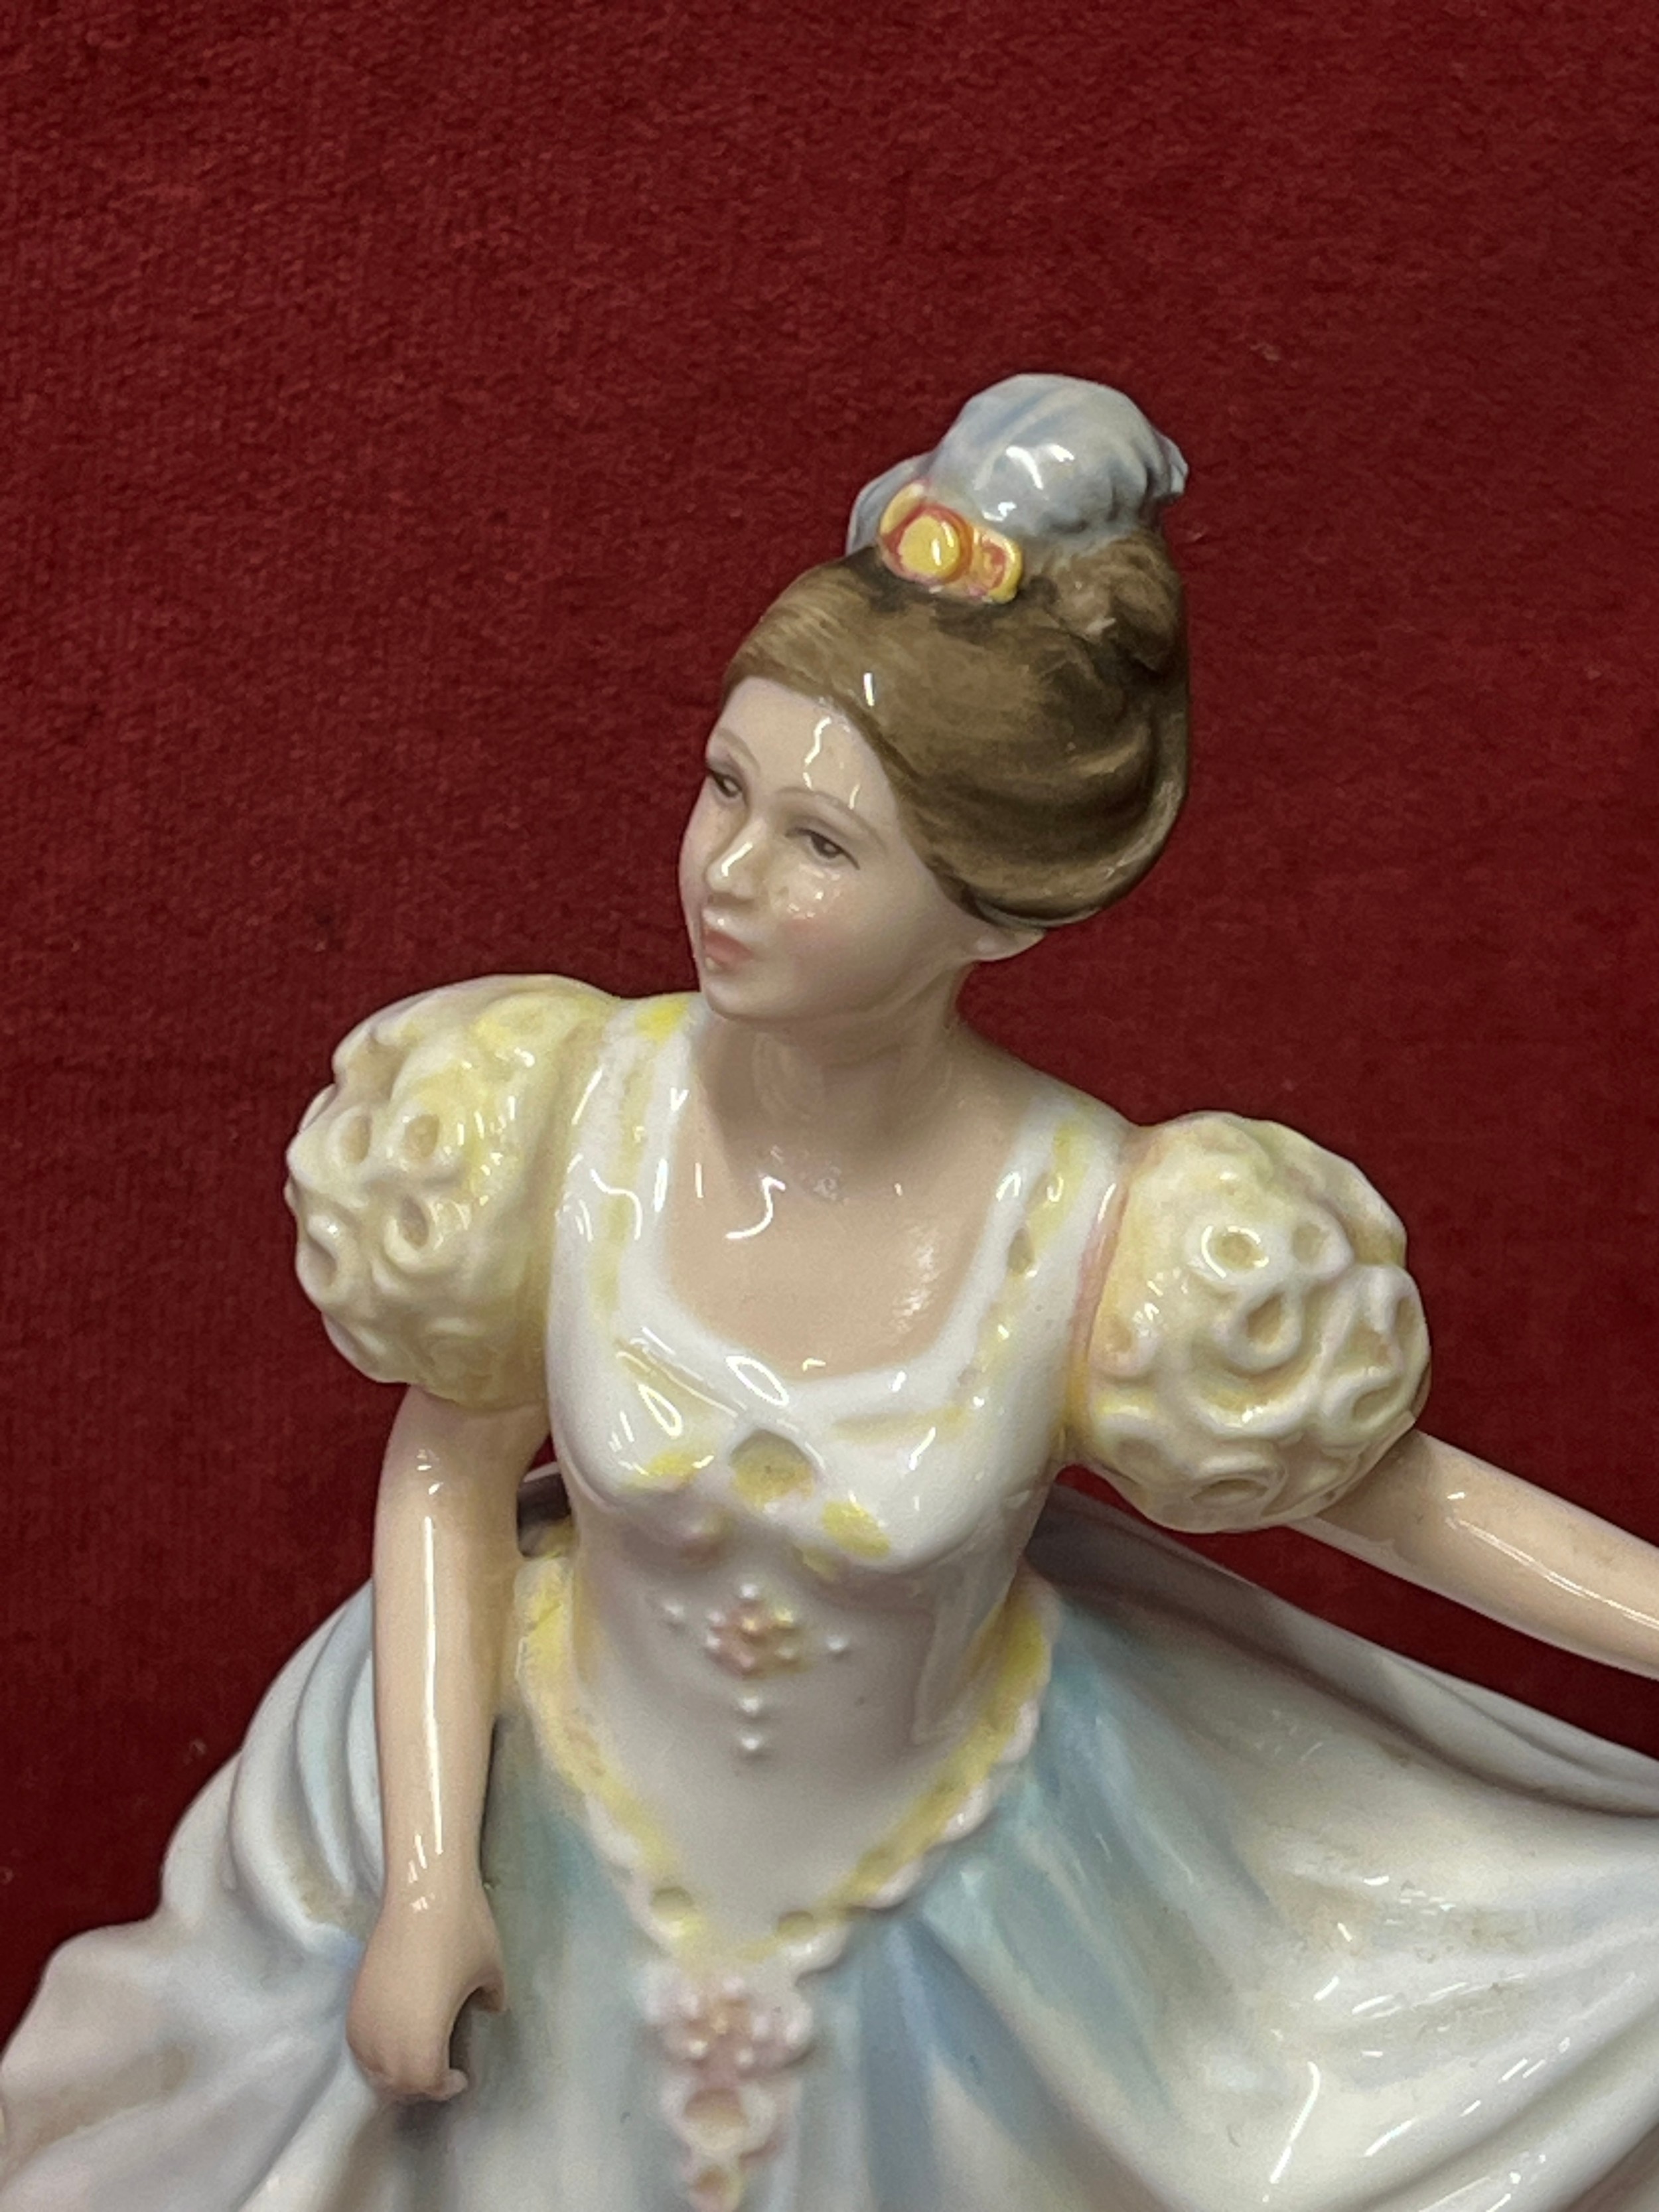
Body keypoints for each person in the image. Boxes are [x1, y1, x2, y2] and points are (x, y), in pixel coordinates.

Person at [4, 374, 1659, 2212]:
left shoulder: (1099, 1232)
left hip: (966, 1901)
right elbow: (448, 1473)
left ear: (996, 912)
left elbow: (1403, 1507)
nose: (728, 872)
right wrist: (427, 1880)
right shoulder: (556, 1119)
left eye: (822, 845)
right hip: (554, 1848)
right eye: (725, 786)